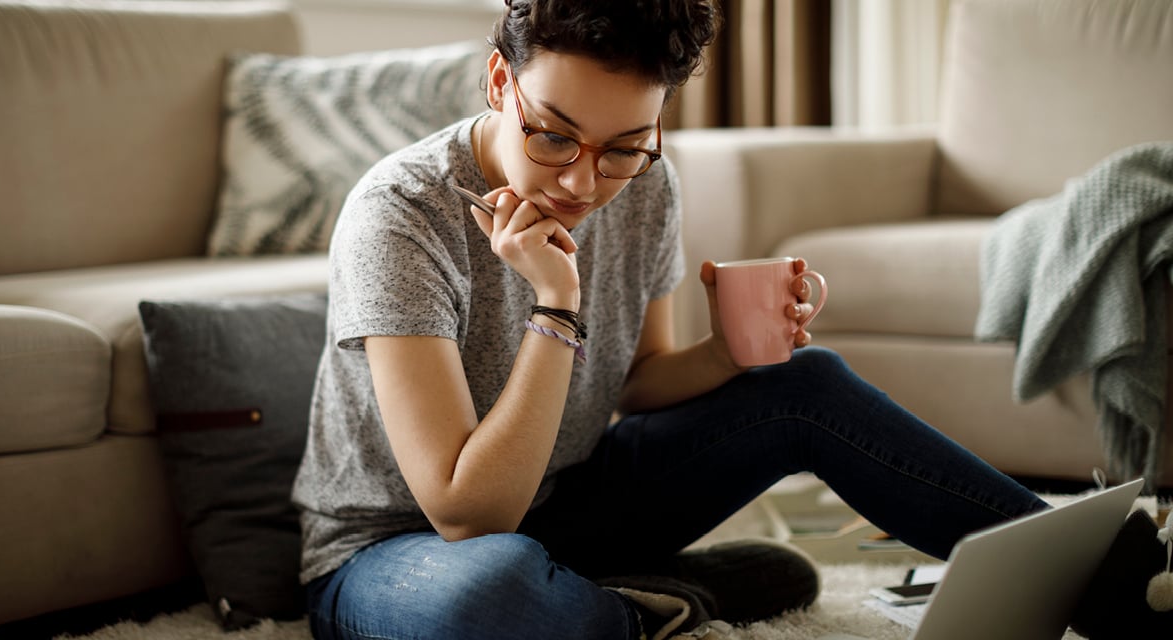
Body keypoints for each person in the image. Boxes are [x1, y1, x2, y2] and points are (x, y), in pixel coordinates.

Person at [291, 1, 1049, 638]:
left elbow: (641, 384)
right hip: (396, 553)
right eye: (553, 135)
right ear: (500, 80)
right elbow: (467, 513)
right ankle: (664, 603)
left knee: (804, 383)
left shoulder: (647, 186)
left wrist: (725, 353)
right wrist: (556, 306)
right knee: (487, 595)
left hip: (568, 503)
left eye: (624, 147)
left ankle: (1104, 566)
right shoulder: (400, 215)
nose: (583, 182)